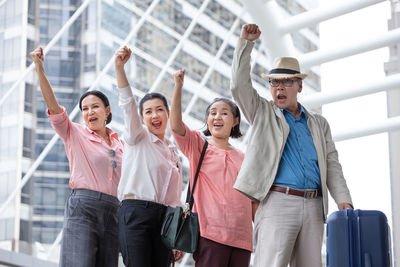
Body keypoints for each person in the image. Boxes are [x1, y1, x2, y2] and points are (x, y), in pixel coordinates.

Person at [230, 24, 353, 267]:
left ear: (299, 86)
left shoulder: (319, 123)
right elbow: (238, 86)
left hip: (314, 206)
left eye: (286, 82)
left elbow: (331, 163)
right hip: (277, 201)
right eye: (274, 83)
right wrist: (246, 43)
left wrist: (344, 199)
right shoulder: (262, 112)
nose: (279, 88)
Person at [30, 47, 123, 267]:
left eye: (95, 107)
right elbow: (53, 106)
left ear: (107, 111)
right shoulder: (75, 133)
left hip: (114, 211)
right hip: (83, 207)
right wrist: (39, 67)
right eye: (85, 108)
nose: (90, 112)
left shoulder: (121, 144)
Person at [170, 69, 254, 267]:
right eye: (212, 113)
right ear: (207, 120)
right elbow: (175, 126)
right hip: (210, 234)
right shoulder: (198, 146)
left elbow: (253, 200)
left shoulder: (245, 158)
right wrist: (178, 87)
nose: (217, 117)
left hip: (242, 239)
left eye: (224, 113)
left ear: (234, 122)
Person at [114, 46, 183, 267]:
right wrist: (119, 68)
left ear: (167, 113)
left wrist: (176, 236)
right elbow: (127, 104)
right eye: (148, 111)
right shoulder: (138, 137)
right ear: (142, 117)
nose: (155, 115)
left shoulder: (173, 151)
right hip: (136, 214)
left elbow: (174, 197)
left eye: (160, 109)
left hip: (165, 219)